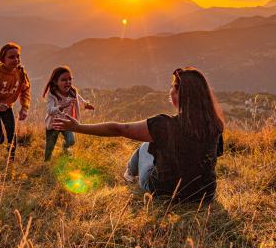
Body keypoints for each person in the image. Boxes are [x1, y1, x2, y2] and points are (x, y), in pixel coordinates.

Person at [53, 67, 224, 202]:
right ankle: (129, 173)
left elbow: (119, 129)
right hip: (205, 193)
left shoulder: (163, 125)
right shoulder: (215, 125)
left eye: (172, 87)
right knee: (151, 143)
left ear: (180, 94)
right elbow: (211, 156)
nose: (170, 90)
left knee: (145, 146)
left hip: (164, 191)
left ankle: (129, 175)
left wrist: (78, 127)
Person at [43, 66, 95, 161]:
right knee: (50, 145)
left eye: (69, 79)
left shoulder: (72, 92)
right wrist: (62, 106)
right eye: (63, 80)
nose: (68, 82)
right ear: (55, 82)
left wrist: (86, 104)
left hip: (67, 122)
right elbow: (50, 110)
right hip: (54, 124)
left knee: (71, 141)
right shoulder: (52, 95)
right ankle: (46, 162)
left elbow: (79, 98)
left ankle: (65, 149)